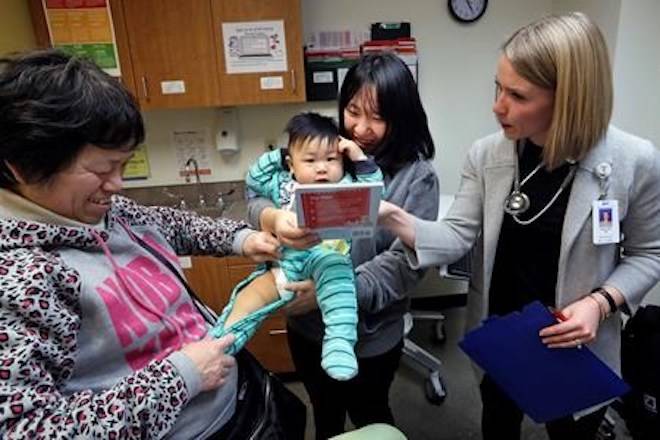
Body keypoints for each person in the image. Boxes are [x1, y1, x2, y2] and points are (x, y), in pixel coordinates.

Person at [377, 12, 660, 440]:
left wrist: (600, 303)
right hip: (502, 334)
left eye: (517, 95)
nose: (497, 106)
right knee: (499, 421)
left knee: (572, 429)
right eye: (498, 87)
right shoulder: (488, 155)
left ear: (568, 98)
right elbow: (456, 235)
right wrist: (387, 214)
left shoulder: (633, 162)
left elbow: (649, 253)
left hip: (574, 341)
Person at [0, 49, 281, 438]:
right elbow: (27, 430)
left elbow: (169, 223)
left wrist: (245, 240)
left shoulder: (95, 209)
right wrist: (181, 377)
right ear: (23, 165)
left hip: (239, 406)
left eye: (123, 165)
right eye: (102, 169)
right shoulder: (20, 278)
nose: (117, 185)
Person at [247, 52, 439, 438]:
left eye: (378, 116)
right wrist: (272, 219)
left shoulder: (417, 178)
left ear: (401, 116)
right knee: (325, 413)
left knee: (371, 415)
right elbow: (257, 195)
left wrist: (330, 292)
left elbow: (405, 265)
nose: (361, 128)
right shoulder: (325, 152)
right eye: (353, 111)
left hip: (372, 335)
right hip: (307, 327)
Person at [212, 112, 383, 381]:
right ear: (291, 164)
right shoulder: (282, 184)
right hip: (286, 261)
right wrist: (284, 154)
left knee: (340, 289)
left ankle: (339, 345)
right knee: (250, 296)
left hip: (327, 259)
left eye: (330, 159)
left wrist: (359, 159)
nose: (322, 168)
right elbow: (254, 179)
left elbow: (374, 191)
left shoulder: (347, 185)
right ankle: (220, 344)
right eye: (310, 160)